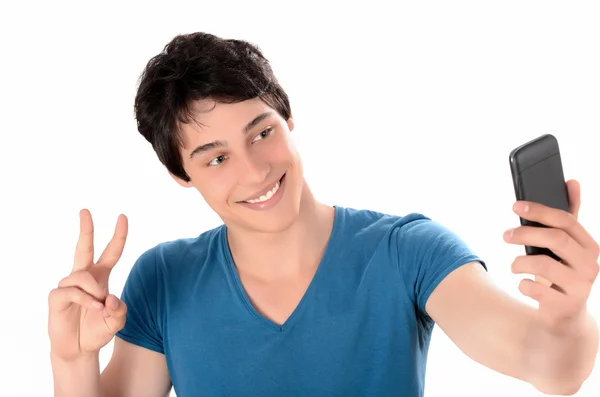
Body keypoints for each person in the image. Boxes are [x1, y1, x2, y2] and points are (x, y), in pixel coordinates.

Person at [48, 32, 599, 397]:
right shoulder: (164, 279)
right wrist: (71, 360)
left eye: (262, 132)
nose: (255, 170)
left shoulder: (407, 252)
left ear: (287, 118)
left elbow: (550, 366)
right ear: (181, 174)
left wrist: (567, 313)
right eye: (216, 158)